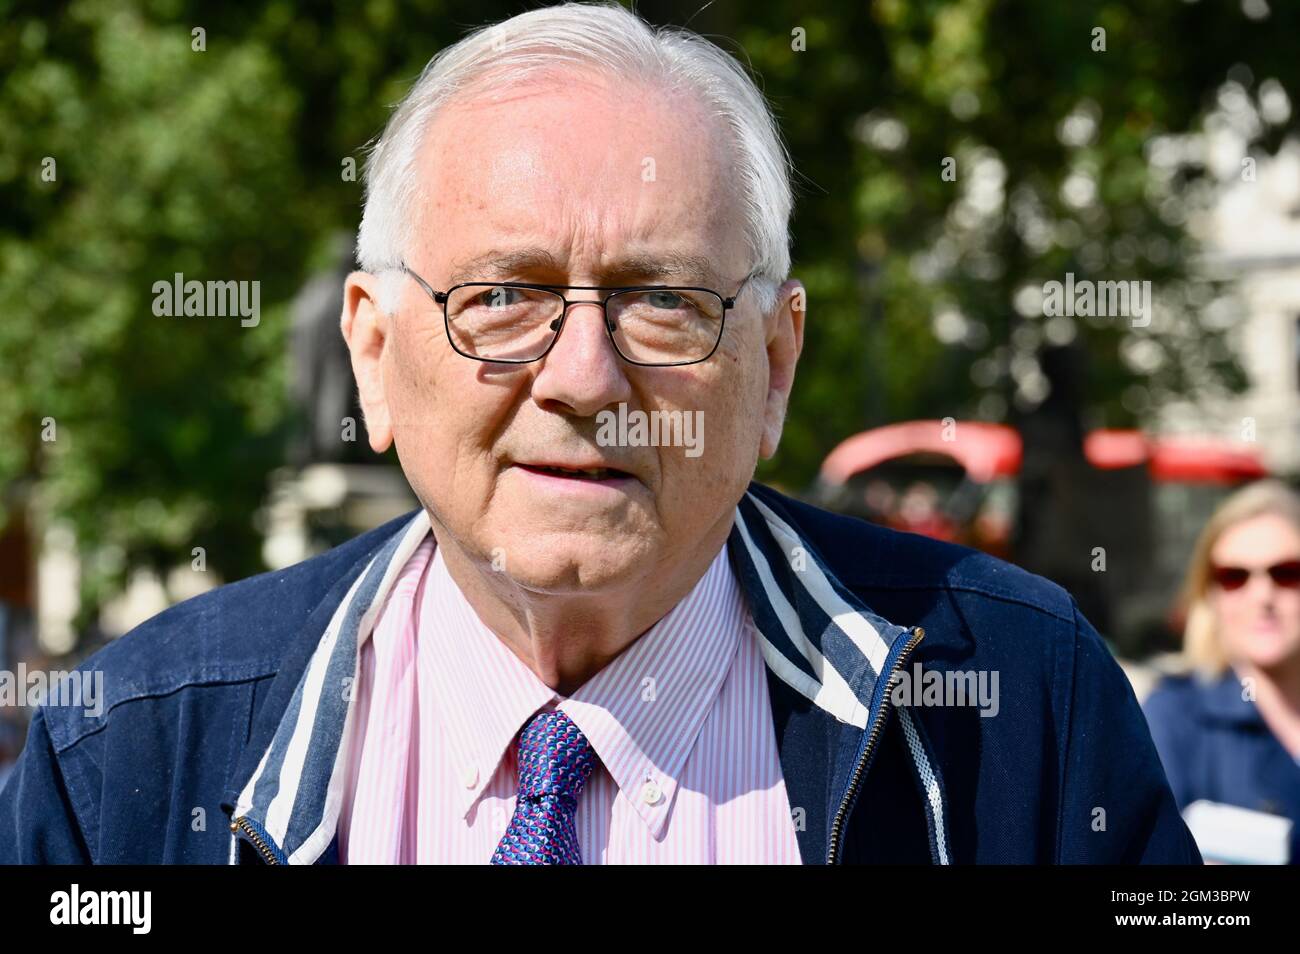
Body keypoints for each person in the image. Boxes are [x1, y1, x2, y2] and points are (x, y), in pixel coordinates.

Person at [0, 2, 1198, 864]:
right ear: (373, 353)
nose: (584, 376)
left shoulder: (1019, 701)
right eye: (502, 296)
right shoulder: (127, 754)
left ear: (774, 362)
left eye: (664, 301)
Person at [1144, 479, 1300, 856]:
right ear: (1208, 593)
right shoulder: (1173, 718)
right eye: (1235, 577)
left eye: (1286, 573)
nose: (1262, 595)